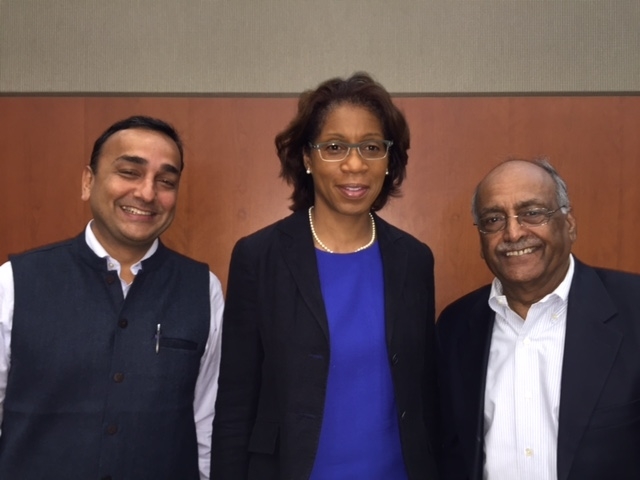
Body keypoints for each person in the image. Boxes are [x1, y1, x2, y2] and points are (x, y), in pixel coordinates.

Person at [210, 73, 440, 480]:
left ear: (389, 161)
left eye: (371, 147)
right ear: (307, 158)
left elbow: (426, 393)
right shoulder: (259, 256)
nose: (355, 164)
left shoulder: (414, 260)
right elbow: (235, 404)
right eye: (334, 147)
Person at [0, 115, 224, 479]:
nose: (147, 193)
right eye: (130, 172)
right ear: (88, 181)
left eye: (166, 181)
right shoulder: (14, 283)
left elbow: (207, 421)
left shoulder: (203, 288)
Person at [437, 158, 640, 480]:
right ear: (480, 239)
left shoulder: (634, 308)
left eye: (532, 213)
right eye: (493, 219)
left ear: (568, 224)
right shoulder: (455, 327)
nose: (514, 233)